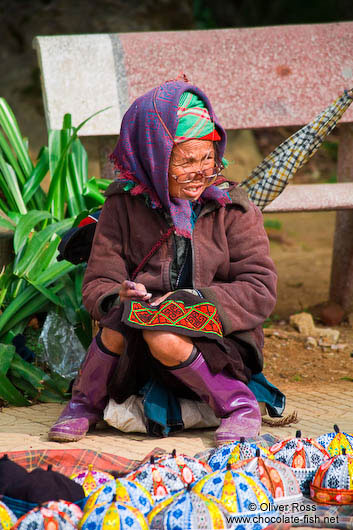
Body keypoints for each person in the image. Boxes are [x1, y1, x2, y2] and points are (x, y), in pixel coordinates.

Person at [48, 78, 277, 444]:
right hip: (139, 340)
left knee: (164, 335)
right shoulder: (122, 204)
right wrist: (121, 295)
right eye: (186, 161)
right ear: (154, 157)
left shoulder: (231, 206)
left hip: (217, 341)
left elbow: (260, 288)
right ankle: (83, 405)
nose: (202, 172)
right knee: (119, 325)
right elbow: (97, 284)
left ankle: (238, 405)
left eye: (208, 158)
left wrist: (197, 302)